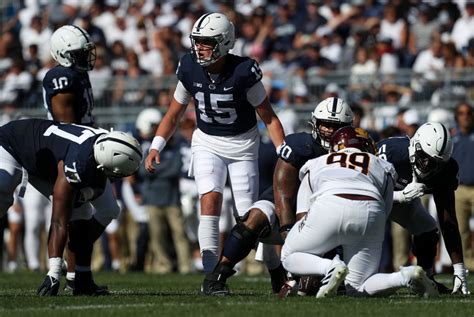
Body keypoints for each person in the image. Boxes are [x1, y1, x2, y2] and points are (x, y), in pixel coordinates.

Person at [144, 12, 285, 287]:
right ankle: (212, 275)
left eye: (206, 42)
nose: (199, 48)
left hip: (243, 144)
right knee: (209, 201)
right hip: (207, 141)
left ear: (224, 42)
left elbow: (269, 117)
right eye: (197, 41)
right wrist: (155, 145)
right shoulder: (189, 66)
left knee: (250, 218)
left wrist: (284, 153)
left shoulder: (243, 71)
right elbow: (174, 114)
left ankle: (274, 268)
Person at [200, 97, 353, 296]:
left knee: (311, 287)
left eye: (336, 126)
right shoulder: (300, 145)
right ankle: (217, 276)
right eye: (325, 125)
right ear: (315, 123)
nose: (329, 131)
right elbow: (283, 196)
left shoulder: (353, 154)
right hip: (286, 214)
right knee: (253, 217)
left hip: (326, 223)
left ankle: (305, 275)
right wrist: (289, 234)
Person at [281, 126, 438, 298]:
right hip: (370, 211)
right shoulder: (381, 164)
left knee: (289, 253)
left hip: (329, 205)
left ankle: (329, 268)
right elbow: (385, 208)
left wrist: (310, 265)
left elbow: (303, 211)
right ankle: (404, 277)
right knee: (357, 286)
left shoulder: (317, 162)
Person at [0, 119, 142, 295]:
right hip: (12, 145)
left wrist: (87, 196)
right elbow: (59, 220)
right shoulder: (78, 162)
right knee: (3, 190)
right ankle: (67, 271)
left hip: (54, 157)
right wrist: (54, 272)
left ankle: (80, 279)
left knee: (108, 210)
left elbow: (97, 185)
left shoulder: (104, 144)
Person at [42, 24, 121, 292]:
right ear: (62, 54)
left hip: (88, 147)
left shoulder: (78, 75)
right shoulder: (60, 77)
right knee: (80, 214)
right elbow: (69, 127)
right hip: (73, 151)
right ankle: (74, 276)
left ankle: (77, 275)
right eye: (78, 53)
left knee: (102, 211)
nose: (86, 57)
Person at [378, 122, 470, 295]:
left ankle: (425, 279)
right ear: (415, 145)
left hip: (402, 203)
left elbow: (448, 220)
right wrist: (398, 196)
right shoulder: (392, 152)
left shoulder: (447, 170)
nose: (427, 165)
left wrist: (459, 269)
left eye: (435, 163)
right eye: (424, 157)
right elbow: (364, 191)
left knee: (428, 229)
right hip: (371, 201)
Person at [452, 102, 474, 271]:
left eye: (468, 112)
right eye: (461, 113)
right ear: (456, 116)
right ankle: (468, 263)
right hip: (459, 189)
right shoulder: (452, 138)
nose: (465, 116)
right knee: (461, 230)